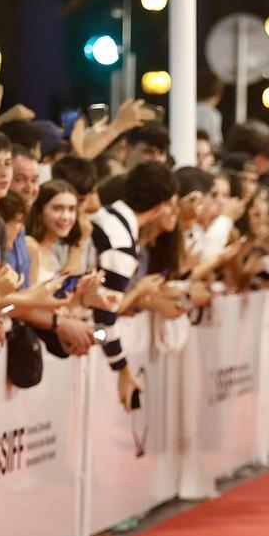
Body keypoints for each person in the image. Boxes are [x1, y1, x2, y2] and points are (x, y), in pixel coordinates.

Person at [90, 160, 178, 411]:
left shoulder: (105, 215)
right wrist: (123, 371)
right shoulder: (121, 245)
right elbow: (102, 321)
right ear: (160, 207)